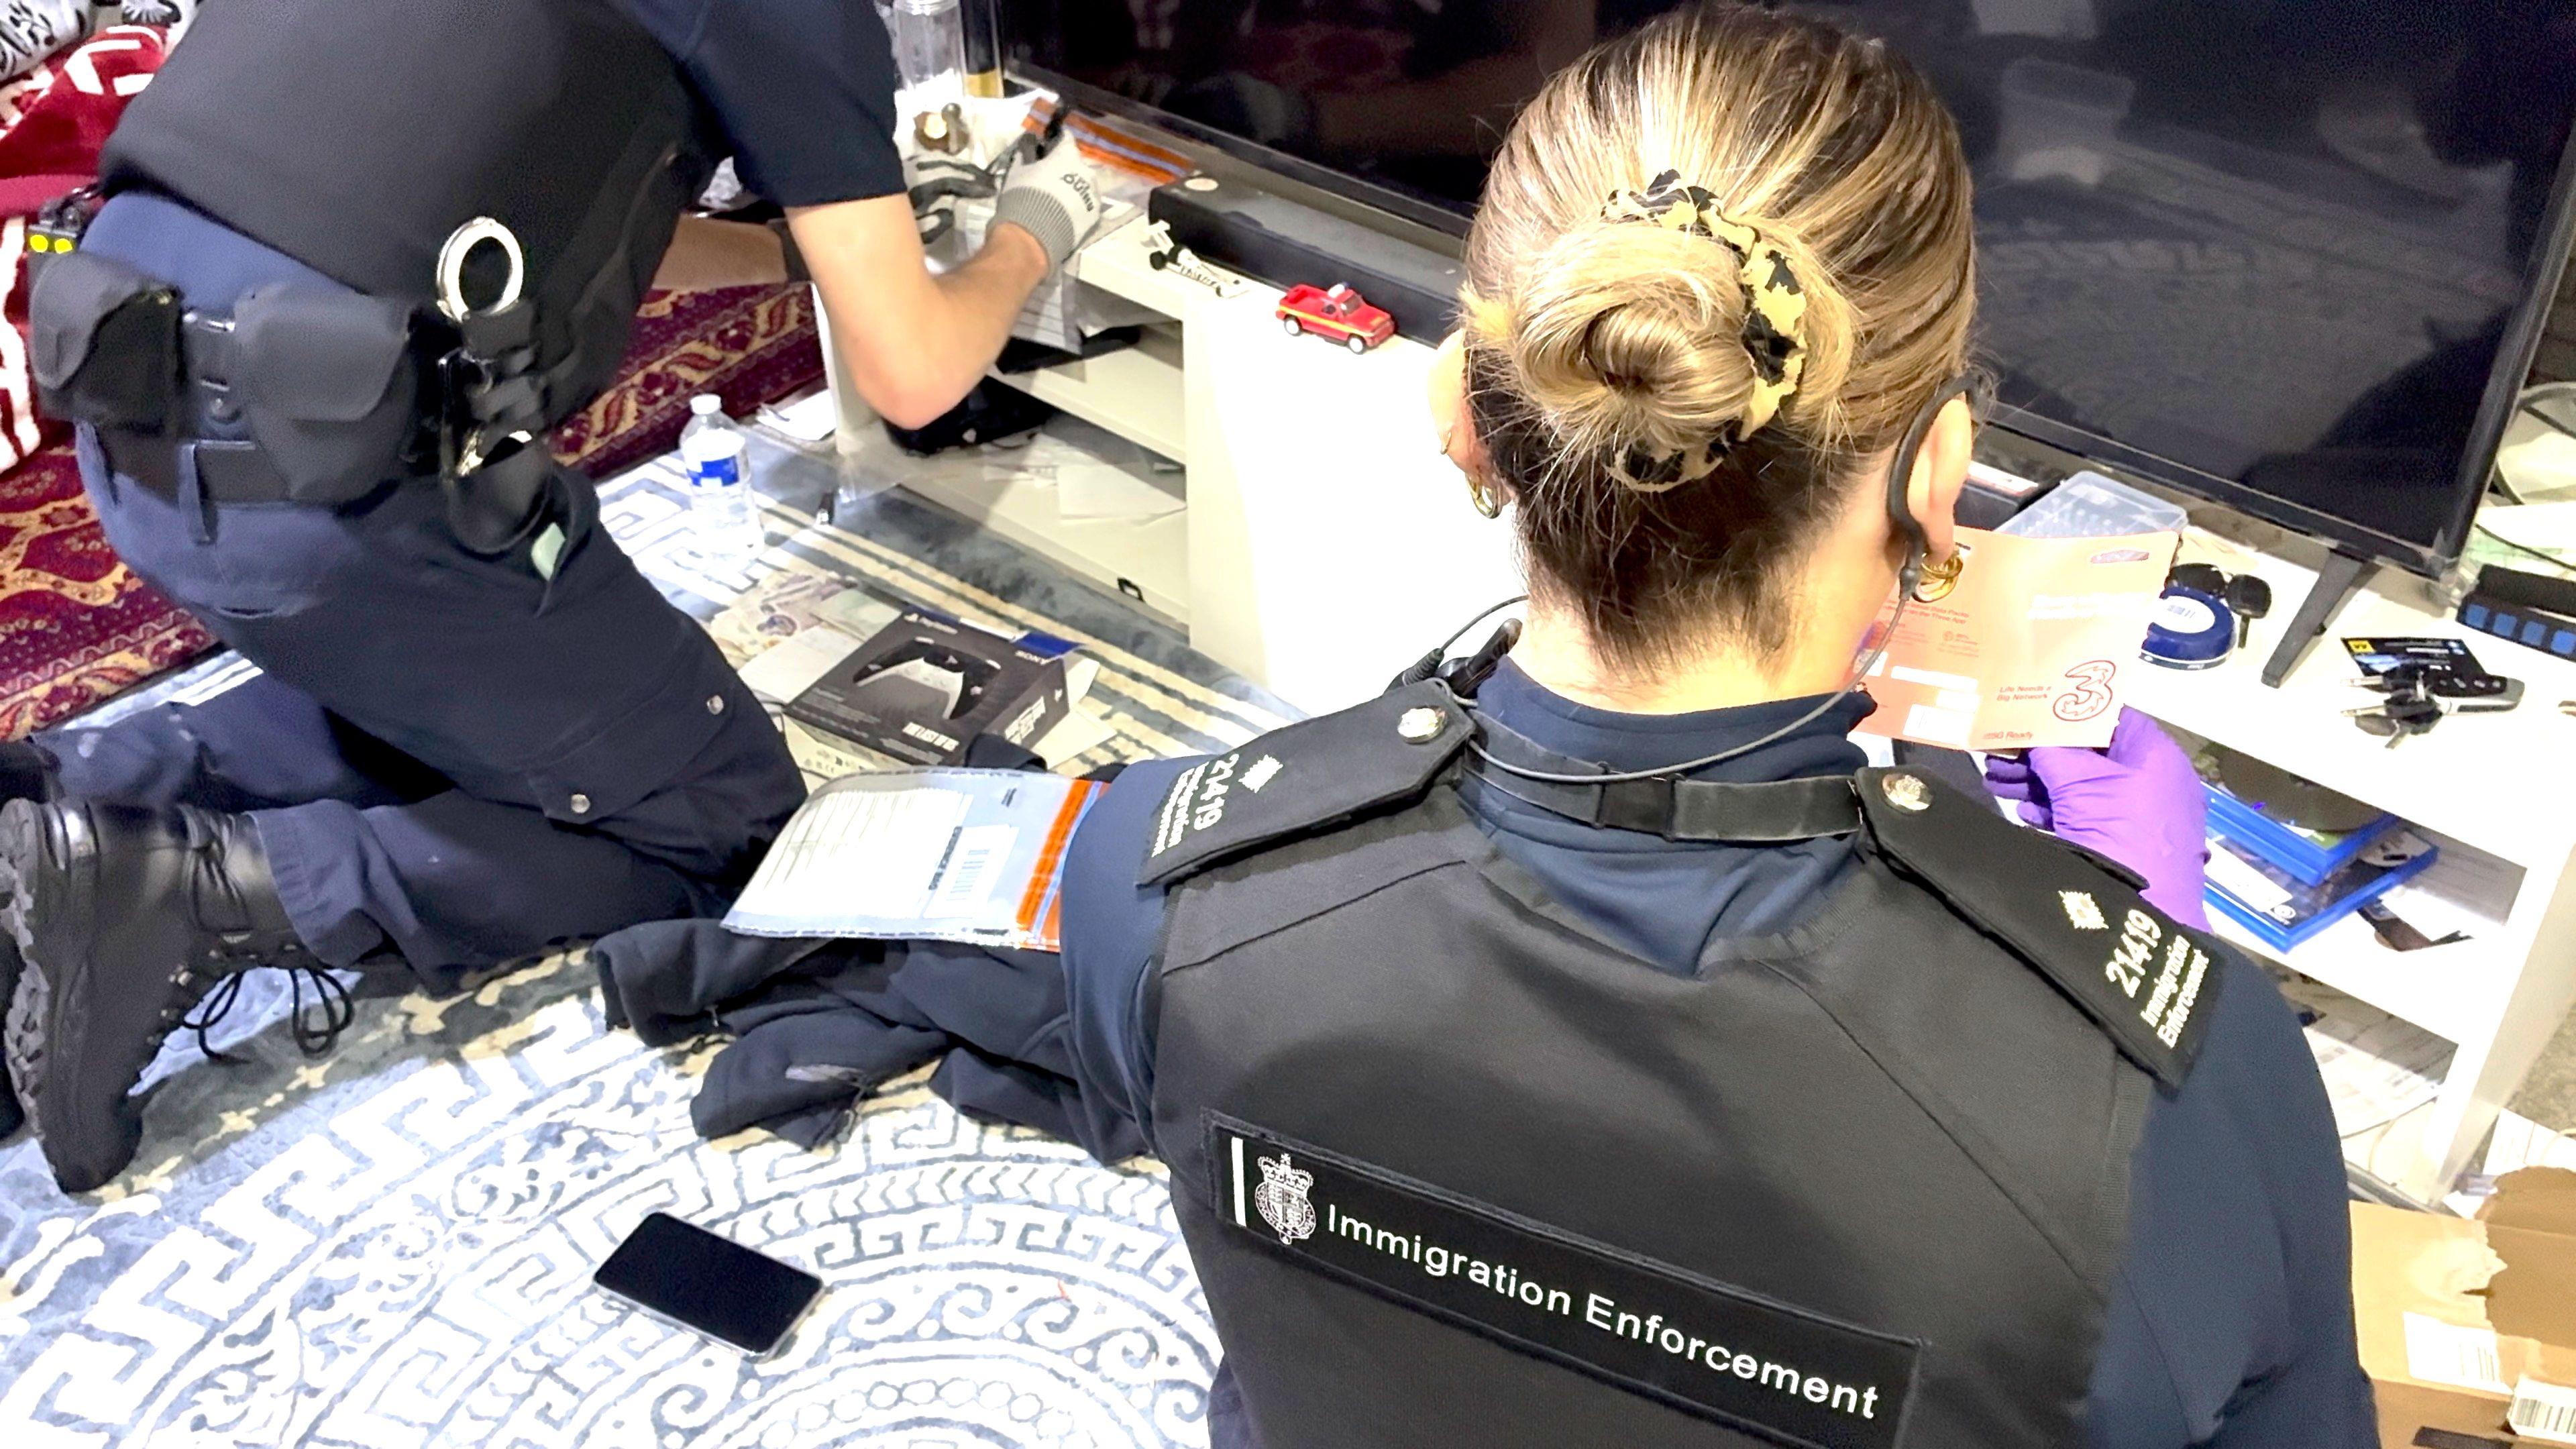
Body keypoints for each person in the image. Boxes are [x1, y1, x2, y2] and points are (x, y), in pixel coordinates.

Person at [1014, 6, 2365, 1444]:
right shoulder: (2205, 1097)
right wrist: (2105, 990)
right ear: (1939, 480)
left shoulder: (1152, 883)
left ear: (1461, 418)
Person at [0, 0, 1104, 1193]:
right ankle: (194, 894)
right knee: (727, 823)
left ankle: (79, 799)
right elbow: (919, 375)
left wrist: (818, 248)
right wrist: (1039, 229)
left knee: (496, 715)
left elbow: (581, 205)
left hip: (133, 426)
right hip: (333, 503)